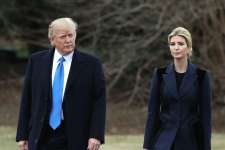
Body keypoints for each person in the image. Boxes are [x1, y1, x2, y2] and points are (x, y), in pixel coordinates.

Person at [16, 17, 106, 150]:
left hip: (76, 135)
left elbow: (99, 101)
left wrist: (96, 135)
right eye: (63, 36)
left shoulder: (92, 64)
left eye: (71, 35)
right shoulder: (36, 61)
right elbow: (27, 99)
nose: (68, 40)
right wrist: (22, 134)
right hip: (41, 134)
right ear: (52, 40)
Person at [143, 27, 212, 150]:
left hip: (191, 143)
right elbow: (152, 113)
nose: (176, 47)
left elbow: (206, 117)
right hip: (163, 142)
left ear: (189, 48)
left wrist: (206, 147)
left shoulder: (201, 76)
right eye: (172, 44)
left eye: (180, 44)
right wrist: (146, 146)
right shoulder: (159, 74)